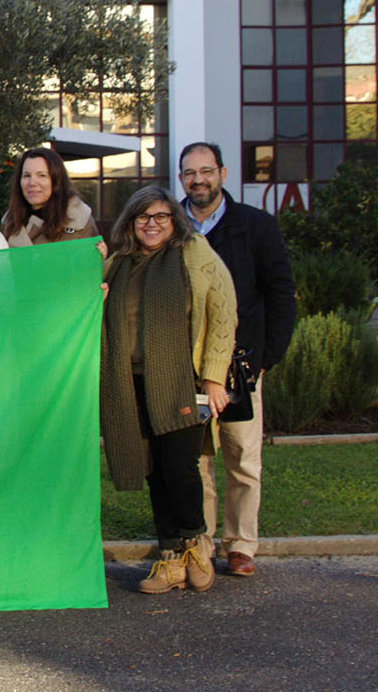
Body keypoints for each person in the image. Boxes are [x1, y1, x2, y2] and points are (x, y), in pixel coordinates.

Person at [98, 185, 237, 594]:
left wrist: (214, 376)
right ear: (131, 222)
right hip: (130, 381)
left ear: (174, 220)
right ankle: (170, 557)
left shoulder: (193, 254)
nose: (152, 224)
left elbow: (223, 312)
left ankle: (195, 543)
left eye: (161, 216)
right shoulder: (119, 263)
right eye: (144, 217)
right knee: (154, 471)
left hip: (181, 382)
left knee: (180, 467)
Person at [179, 142, 295, 579]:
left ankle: (241, 544)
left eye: (206, 171)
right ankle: (201, 544)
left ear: (223, 174)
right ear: (181, 179)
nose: (198, 180)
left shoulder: (256, 227)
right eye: (190, 173)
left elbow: (281, 293)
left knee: (243, 457)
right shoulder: (171, 226)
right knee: (197, 460)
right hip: (187, 365)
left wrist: (269, 357)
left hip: (242, 365)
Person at [1, 146, 99, 246]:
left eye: (41, 175)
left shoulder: (79, 222)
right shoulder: (10, 223)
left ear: (56, 180)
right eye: (27, 175)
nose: (32, 183)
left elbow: (93, 261)